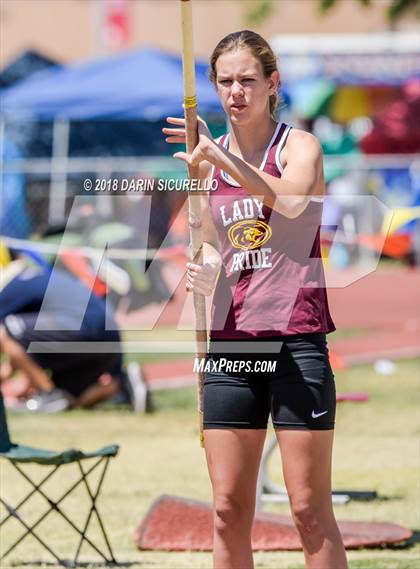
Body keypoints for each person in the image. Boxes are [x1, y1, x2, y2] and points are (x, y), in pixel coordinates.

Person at [163, 30, 348, 569]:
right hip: (231, 345)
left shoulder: (300, 147)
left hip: (296, 341)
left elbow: (290, 203)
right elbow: (216, 246)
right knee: (226, 509)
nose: (235, 92)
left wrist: (220, 156)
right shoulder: (205, 163)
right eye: (225, 81)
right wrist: (206, 270)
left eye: (248, 80)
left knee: (309, 509)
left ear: (273, 84)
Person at [0, 257, 147, 412]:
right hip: (108, 339)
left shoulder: (14, 285)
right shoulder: (41, 276)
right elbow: (26, 348)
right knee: (70, 399)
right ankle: (120, 385)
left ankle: (49, 395)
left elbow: (9, 339)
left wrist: (11, 377)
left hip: (79, 329)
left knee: (6, 330)